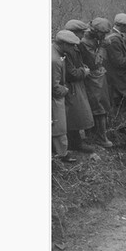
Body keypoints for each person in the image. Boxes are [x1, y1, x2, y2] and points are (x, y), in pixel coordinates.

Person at [79, 17, 114, 148]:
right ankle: (100, 137)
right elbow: (95, 62)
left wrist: (101, 43)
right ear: (95, 30)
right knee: (98, 106)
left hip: (98, 77)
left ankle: (98, 135)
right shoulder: (85, 41)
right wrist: (102, 47)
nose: (104, 36)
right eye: (102, 34)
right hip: (93, 78)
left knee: (102, 105)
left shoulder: (94, 38)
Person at [104, 13, 126, 135]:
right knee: (120, 101)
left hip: (118, 76)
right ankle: (120, 127)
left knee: (122, 101)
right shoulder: (114, 39)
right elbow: (118, 62)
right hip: (117, 77)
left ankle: (122, 126)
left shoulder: (116, 37)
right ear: (122, 26)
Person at [63, 19, 95, 153]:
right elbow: (71, 73)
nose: (83, 36)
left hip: (77, 84)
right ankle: (75, 143)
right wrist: (84, 71)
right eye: (81, 33)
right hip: (71, 86)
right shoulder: (67, 49)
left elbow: (88, 62)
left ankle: (76, 142)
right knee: (74, 115)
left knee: (77, 114)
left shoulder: (74, 46)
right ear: (74, 33)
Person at [52, 30, 80, 162]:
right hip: (54, 99)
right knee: (59, 127)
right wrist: (66, 90)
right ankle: (62, 154)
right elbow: (54, 87)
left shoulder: (57, 53)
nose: (73, 48)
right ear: (62, 44)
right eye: (71, 45)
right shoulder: (55, 60)